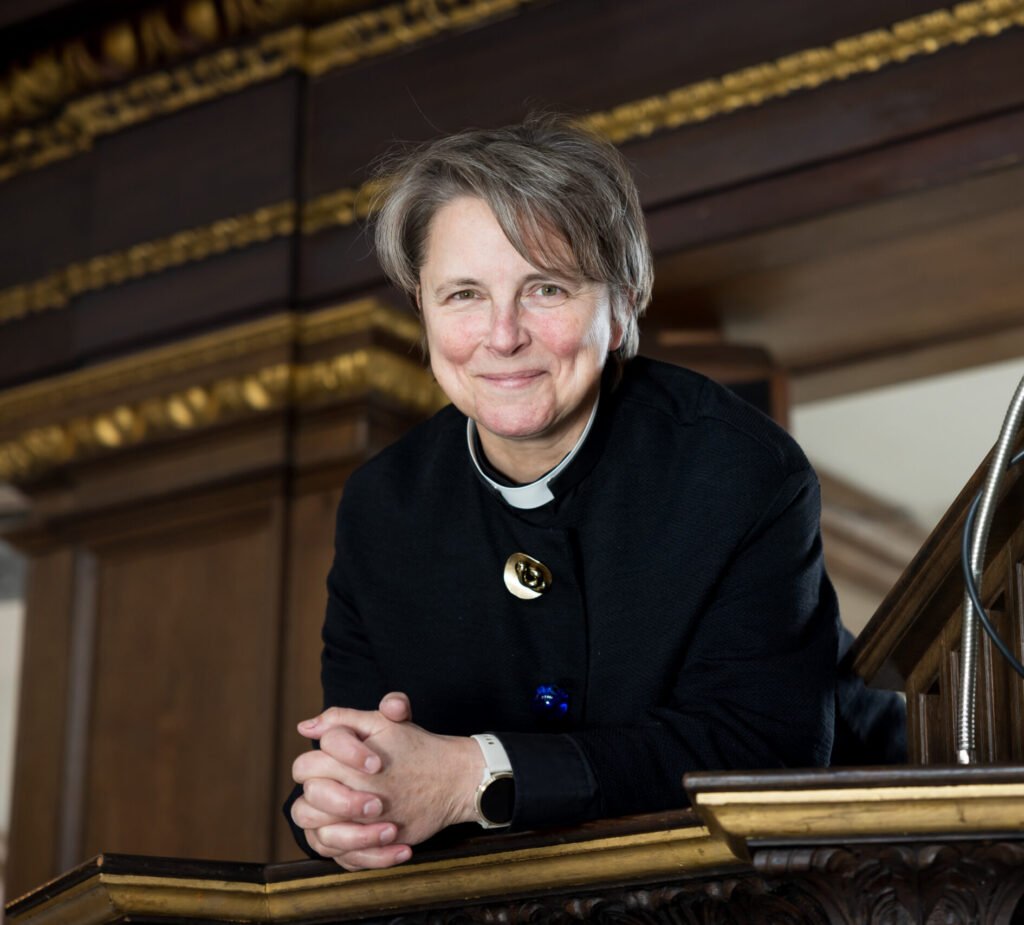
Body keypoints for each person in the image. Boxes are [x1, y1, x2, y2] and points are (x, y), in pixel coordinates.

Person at [285, 114, 880, 872]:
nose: (501, 336)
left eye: (545, 288)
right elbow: (372, 755)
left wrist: (478, 775)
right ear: (422, 310)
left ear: (624, 303)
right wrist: (337, 807)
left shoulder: (738, 471)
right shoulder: (383, 507)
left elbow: (763, 751)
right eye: (464, 294)